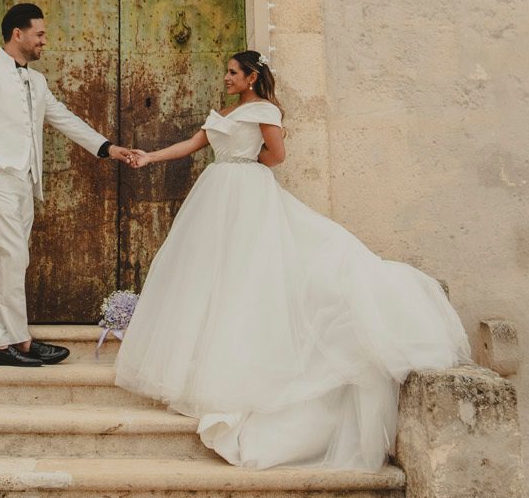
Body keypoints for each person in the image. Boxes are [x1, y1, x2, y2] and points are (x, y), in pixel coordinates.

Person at [113, 50, 466, 470]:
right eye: (225, 72)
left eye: (232, 73)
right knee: (210, 272)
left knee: (247, 269)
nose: (225, 78)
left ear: (251, 77)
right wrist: (149, 156)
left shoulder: (266, 110)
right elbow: (192, 145)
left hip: (247, 190)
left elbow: (276, 156)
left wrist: (245, 161)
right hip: (216, 193)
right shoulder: (222, 112)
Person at [0, 3, 137, 367]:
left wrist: (107, 148)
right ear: (18, 35)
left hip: (24, 180)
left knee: (3, 259)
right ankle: (20, 340)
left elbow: (62, 118)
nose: (44, 40)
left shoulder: (36, 80)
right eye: (39, 34)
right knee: (15, 255)